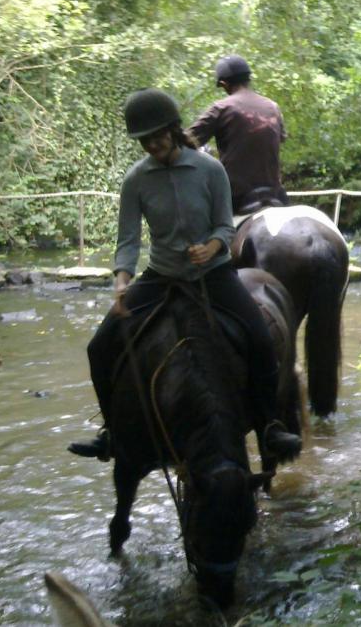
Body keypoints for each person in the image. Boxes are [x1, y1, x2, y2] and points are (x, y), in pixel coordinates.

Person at [68, 88, 302, 462]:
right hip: (161, 275)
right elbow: (127, 238)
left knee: (260, 339)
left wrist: (212, 246)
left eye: (157, 136)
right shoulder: (136, 180)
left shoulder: (210, 170)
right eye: (144, 140)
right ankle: (112, 432)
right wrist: (122, 277)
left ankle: (270, 425)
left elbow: (225, 227)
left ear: (174, 129)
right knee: (99, 346)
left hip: (212, 274)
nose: (151, 145)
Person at [187, 55, 288, 214]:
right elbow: (280, 138)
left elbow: (187, 141)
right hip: (275, 192)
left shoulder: (221, 108)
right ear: (248, 79)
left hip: (235, 195)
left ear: (223, 84)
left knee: (201, 226)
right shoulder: (273, 106)